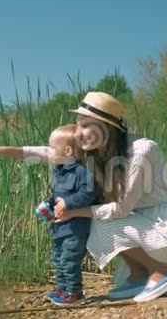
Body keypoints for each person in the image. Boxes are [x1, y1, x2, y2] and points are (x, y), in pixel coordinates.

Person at [0, 92, 167, 302]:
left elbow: (120, 210)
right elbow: (52, 153)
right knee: (95, 221)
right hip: (143, 226)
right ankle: (140, 274)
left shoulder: (141, 150)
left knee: (94, 219)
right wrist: (3, 151)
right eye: (78, 125)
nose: (78, 133)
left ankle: (160, 271)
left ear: (106, 128)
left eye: (86, 126)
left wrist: (72, 211)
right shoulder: (99, 149)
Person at [41, 124, 97, 305]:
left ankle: (75, 294)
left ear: (67, 150)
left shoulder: (82, 172)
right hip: (60, 226)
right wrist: (49, 204)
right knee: (57, 258)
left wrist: (68, 202)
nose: (48, 152)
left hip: (76, 227)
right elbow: (58, 197)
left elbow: (88, 194)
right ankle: (62, 288)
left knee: (69, 259)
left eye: (51, 148)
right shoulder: (59, 173)